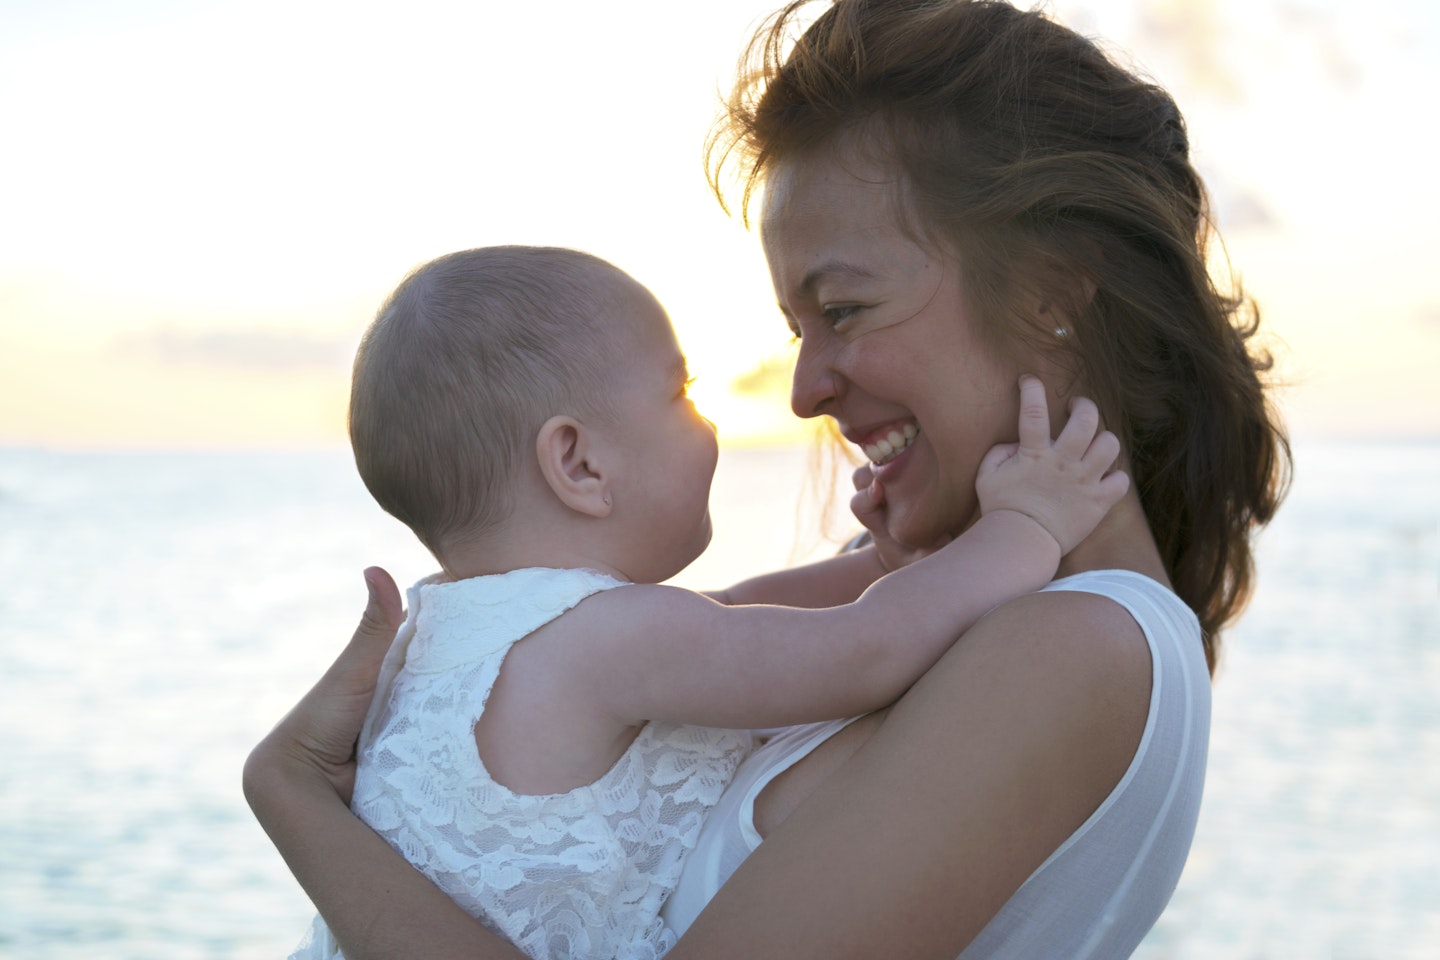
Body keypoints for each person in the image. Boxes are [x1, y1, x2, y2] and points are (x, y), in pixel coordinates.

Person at [244, 1, 1292, 957]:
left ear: (1054, 299)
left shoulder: (1078, 645)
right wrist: (914, 558)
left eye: (843, 311)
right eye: (795, 328)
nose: (801, 392)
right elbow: (732, 622)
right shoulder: (949, 590)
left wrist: (296, 799)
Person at [285, 244, 1125, 960]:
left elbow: (731, 614)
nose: (713, 426)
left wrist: (882, 563)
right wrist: (1023, 525)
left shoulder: (444, 628)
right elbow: (861, 651)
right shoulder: (615, 641)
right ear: (578, 465)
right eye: (683, 394)